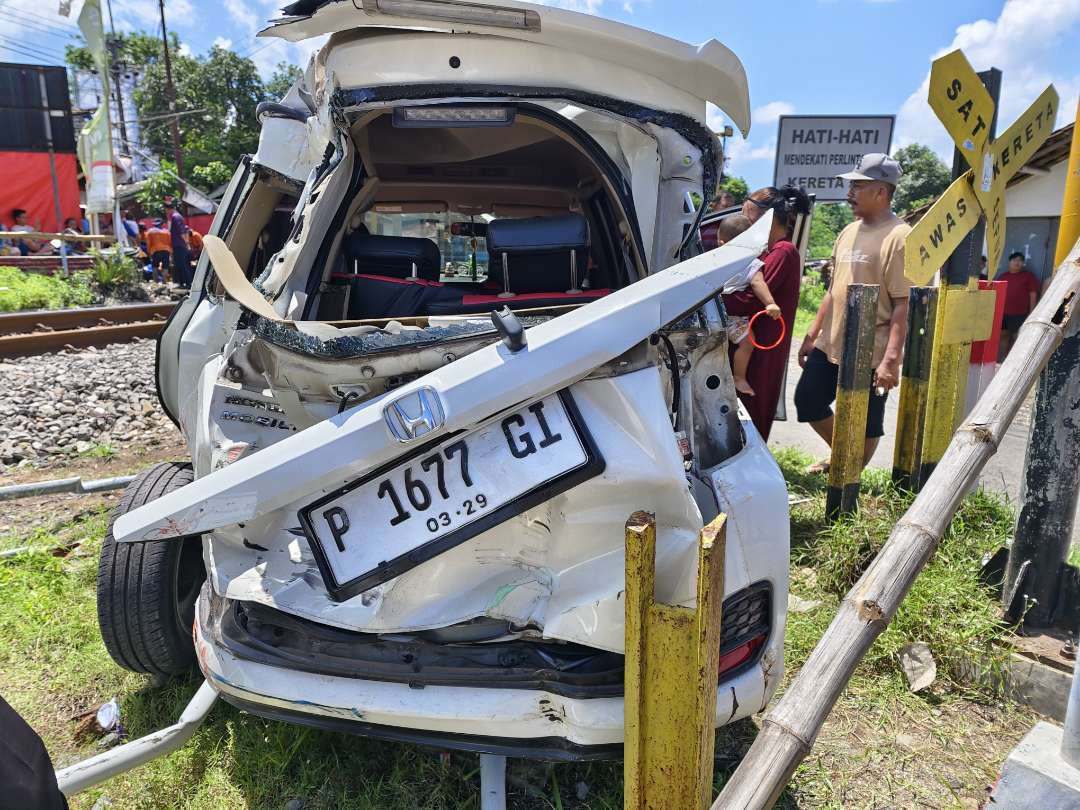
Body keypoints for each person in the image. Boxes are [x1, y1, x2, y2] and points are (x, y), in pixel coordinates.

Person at [795, 153, 911, 473]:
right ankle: (847, 460)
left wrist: (891, 360)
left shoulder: (900, 237)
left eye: (858, 186)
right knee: (808, 400)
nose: (850, 193)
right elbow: (834, 288)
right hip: (831, 342)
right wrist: (813, 334)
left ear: (882, 192)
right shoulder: (848, 231)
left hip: (871, 347)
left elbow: (904, 302)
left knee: (867, 419)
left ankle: (848, 473)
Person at [723, 185, 811, 439]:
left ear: (765, 216)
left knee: (751, 413)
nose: (741, 217)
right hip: (750, 342)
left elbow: (750, 300)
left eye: (745, 210)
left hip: (761, 346)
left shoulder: (783, 252)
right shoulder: (768, 251)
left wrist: (712, 300)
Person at [715, 214, 782, 395]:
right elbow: (758, 283)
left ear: (720, 242)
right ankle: (739, 377)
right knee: (747, 343)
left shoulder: (712, 260)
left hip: (711, 314)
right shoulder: (750, 263)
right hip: (733, 320)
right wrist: (770, 303)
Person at [995, 251, 1039, 360]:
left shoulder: (1028, 276)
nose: (1017, 262)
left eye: (1020, 260)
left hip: (1020, 314)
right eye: (1015, 260)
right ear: (1009, 262)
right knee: (1003, 336)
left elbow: (1033, 294)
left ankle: (1014, 362)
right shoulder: (1002, 276)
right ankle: (1001, 361)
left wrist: (1032, 313)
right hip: (1003, 314)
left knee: (1017, 338)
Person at [165, 199, 192, 288]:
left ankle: (186, 284)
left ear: (169, 209)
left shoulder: (175, 217)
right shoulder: (178, 216)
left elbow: (182, 231)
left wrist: (186, 243)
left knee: (181, 265)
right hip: (180, 245)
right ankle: (184, 283)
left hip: (179, 245)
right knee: (181, 264)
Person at [146, 218, 173, 284]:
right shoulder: (167, 232)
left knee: (154, 266)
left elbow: (148, 243)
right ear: (162, 224)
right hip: (166, 251)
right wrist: (171, 252)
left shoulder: (150, 232)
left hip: (155, 251)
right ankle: (164, 281)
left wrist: (149, 252)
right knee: (165, 266)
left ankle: (156, 281)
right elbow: (170, 242)